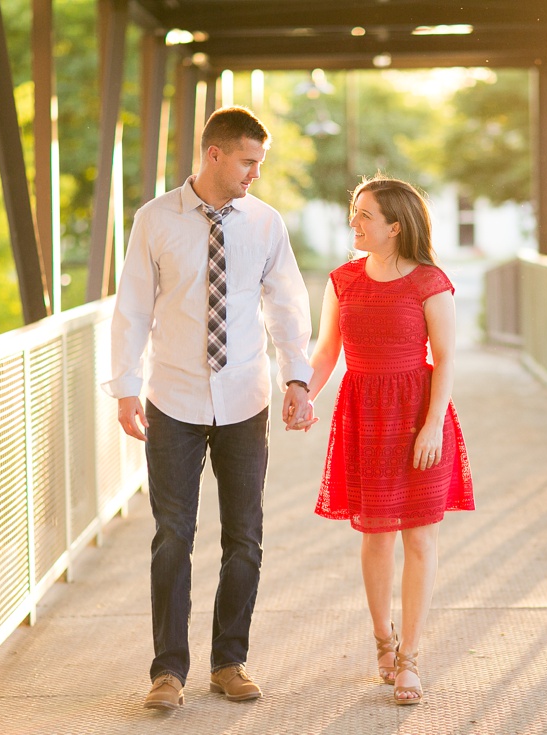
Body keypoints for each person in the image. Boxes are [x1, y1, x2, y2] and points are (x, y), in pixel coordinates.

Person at [102, 106, 316, 711]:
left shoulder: (265, 223)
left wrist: (296, 378)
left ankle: (230, 661)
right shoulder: (156, 220)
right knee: (173, 536)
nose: (255, 173)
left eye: (260, 163)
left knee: (244, 536)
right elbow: (133, 308)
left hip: (246, 398)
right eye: (248, 161)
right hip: (173, 398)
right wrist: (124, 386)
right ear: (215, 154)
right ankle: (167, 672)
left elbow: (286, 304)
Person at [302, 174, 474, 705]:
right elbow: (327, 350)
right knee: (375, 535)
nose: (354, 222)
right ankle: (383, 641)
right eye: (354, 212)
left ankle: (411, 659)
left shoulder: (429, 281)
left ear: (394, 226)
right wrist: (303, 393)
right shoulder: (343, 280)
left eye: (364, 215)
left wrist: (430, 425)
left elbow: (444, 359)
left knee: (420, 539)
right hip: (364, 417)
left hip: (419, 416)